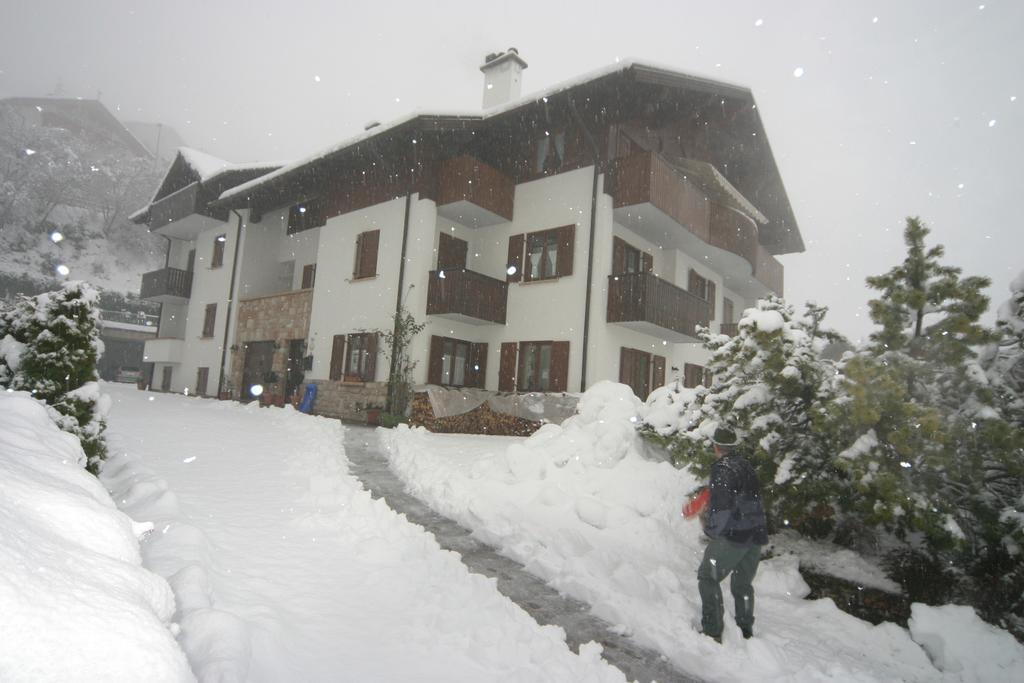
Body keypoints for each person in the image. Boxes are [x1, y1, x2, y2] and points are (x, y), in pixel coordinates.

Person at [697, 426, 768, 643]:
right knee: (742, 583)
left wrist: (711, 530)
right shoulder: (745, 465)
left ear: (716, 446)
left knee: (707, 576)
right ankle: (745, 629)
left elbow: (723, 507)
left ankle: (712, 630)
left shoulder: (722, 469)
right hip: (756, 532)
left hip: (736, 534)